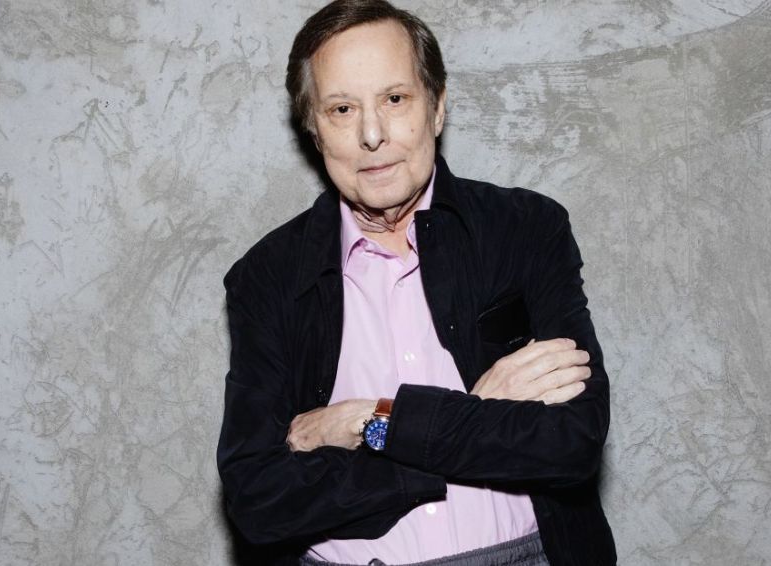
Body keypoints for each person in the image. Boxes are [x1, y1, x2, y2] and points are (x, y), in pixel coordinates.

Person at [217, 1, 616, 564]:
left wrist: (368, 421)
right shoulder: (267, 276)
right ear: (314, 129)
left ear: (437, 107)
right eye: (342, 109)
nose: (372, 134)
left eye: (395, 99)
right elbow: (260, 500)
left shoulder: (525, 229)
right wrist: (470, 415)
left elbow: (572, 441)